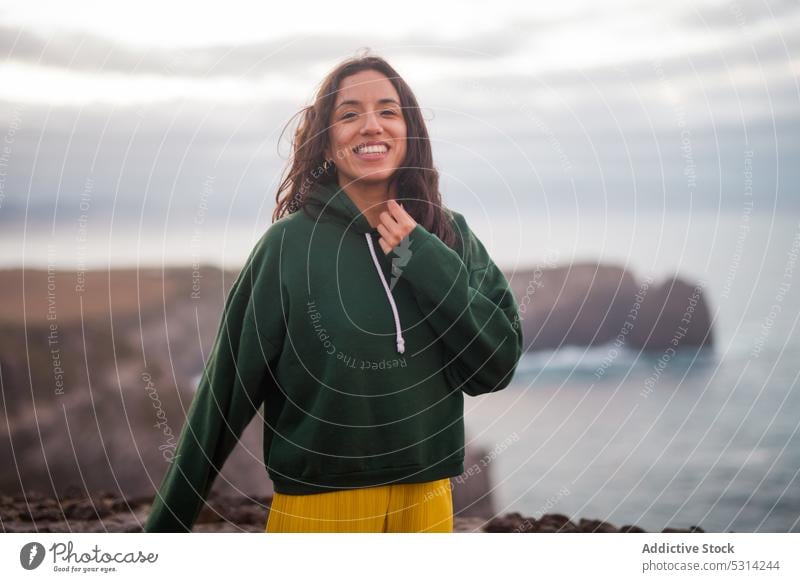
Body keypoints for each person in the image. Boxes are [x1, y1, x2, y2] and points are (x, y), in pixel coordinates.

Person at [143, 53, 523, 533]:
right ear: (326, 141)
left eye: (388, 111)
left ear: (410, 134)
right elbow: (222, 397)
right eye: (349, 114)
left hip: (426, 504)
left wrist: (426, 262)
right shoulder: (287, 247)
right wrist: (161, 535)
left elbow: (496, 367)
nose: (371, 126)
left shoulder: (450, 237)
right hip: (320, 507)